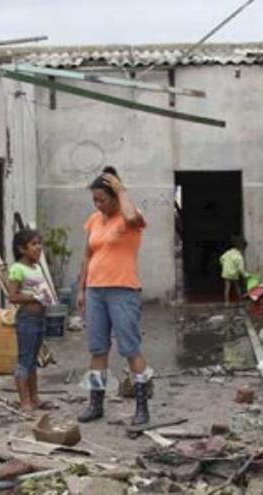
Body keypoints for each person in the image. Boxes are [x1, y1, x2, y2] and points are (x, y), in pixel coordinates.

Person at [76, 166, 152, 425]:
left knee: (130, 347)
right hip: (96, 290)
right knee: (98, 348)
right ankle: (95, 403)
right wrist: (81, 289)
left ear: (115, 196)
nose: (97, 205)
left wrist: (122, 190)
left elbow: (131, 216)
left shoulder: (131, 218)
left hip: (123, 290)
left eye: (102, 199)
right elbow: (88, 255)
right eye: (94, 199)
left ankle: (141, 406)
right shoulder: (94, 220)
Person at [6, 229, 56, 412]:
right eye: (34, 244)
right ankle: (24, 401)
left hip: (39, 319)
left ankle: (35, 398)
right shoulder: (17, 269)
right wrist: (36, 298)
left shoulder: (36, 268)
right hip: (27, 319)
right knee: (25, 360)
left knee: (34, 360)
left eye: (39, 243)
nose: (39, 247)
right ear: (22, 249)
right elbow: (12, 296)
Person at [220, 235, 248, 304]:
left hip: (226, 273)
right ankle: (240, 300)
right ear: (241, 248)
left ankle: (227, 301)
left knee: (227, 288)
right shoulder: (239, 257)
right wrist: (246, 275)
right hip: (234, 274)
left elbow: (221, 259)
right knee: (237, 287)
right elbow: (241, 269)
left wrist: (224, 266)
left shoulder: (228, 253)